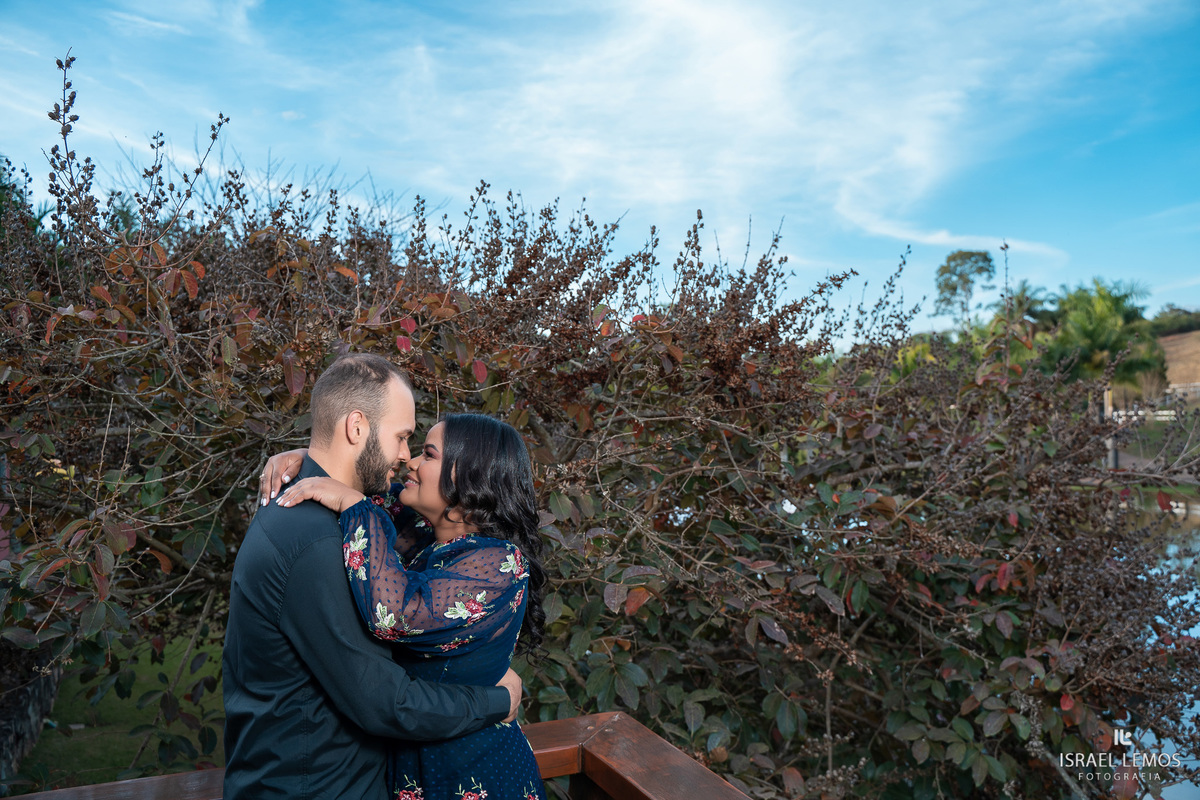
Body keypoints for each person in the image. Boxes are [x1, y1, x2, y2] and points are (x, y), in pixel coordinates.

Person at [223, 354, 522, 800]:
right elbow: (384, 702)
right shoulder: (319, 542)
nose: (405, 458)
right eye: (403, 438)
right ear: (357, 427)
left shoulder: (328, 517)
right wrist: (500, 700)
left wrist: (307, 457)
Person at [264, 412, 549, 800]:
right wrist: (306, 457)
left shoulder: (500, 563)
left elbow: (397, 615)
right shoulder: (420, 533)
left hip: (477, 772)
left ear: (467, 476)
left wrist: (353, 505)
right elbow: (363, 488)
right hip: (413, 766)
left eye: (428, 455)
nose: (410, 461)